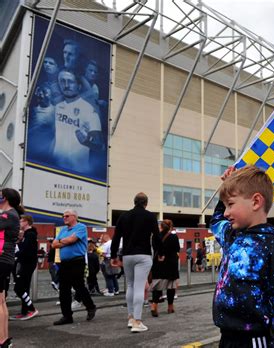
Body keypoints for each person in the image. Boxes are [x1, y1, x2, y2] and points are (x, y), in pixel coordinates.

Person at [211, 165, 274, 347]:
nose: (226, 213)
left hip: (255, 340)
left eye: (230, 204)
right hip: (227, 338)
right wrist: (225, 188)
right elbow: (216, 222)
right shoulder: (233, 235)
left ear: (256, 202)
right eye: (225, 206)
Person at [110, 192, 158, 333]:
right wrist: (159, 253)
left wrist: (113, 255)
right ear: (146, 203)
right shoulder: (150, 216)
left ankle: (131, 318)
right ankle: (138, 322)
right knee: (139, 286)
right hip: (143, 255)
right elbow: (156, 236)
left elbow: (116, 237)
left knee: (130, 285)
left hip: (127, 255)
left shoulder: (124, 216)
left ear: (134, 201)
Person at [53, 69, 104, 174]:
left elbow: (100, 146)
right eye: (62, 81)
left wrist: (86, 141)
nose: (66, 85)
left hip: (78, 172)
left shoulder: (88, 109)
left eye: (70, 81)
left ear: (79, 86)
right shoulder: (57, 107)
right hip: (54, 167)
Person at [51, 209, 96, 325]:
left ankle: (90, 306)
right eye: (63, 216)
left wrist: (62, 241)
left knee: (79, 286)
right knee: (64, 290)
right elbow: (53, 244)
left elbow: (72, 240)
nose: (64, 218)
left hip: (77, 261)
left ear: (74, 217)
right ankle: (67, 316)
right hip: (64, 263)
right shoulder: (62, 230)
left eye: (67, 216)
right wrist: (64, 241)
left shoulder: (81, 227)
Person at [0, 188, 23, 348]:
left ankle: (3, 340)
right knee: (1, 301)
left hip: (1, 260)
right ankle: (4, 339)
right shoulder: (13, 215)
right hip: (4, 260)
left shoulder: (9, 215)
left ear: (5, 198)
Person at [11, 215, 39, 320]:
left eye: (21, 221)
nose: (19, 223)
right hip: (26, 263)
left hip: (27, 264)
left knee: (18, 288)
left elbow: (25, 251)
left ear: (26, 222)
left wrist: (16, 254)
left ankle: (31, 309)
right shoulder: (28, 234)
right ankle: (25, 311)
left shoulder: (30, 234)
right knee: (24, 288)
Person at [150, 219, 180, 317]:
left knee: (157, 286)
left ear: (161, 227)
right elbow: (177, 249)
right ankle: (170, 307)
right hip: (171, 263)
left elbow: (155, 248)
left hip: (158, 263)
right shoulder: (174, 237)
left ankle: (154, 305)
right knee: (170, 286)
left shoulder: (155, 236)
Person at [27, 83, 56, 160]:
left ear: (51, 95)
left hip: (45, 153)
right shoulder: (33, 110)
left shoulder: (56, 111)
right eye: (40, 93)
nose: (42, 95)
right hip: (30, 151)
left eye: (45, 92)